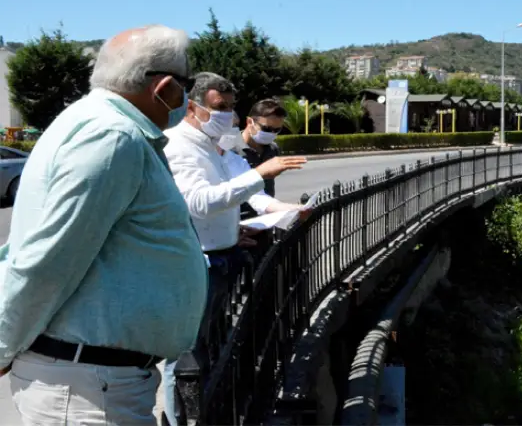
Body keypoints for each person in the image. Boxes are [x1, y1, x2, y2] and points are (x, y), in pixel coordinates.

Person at [0, 25, 207, 425]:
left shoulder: (103, 125)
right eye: (187, 84)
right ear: (164, 86)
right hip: (86, 389)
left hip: (94, 380)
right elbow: (47, 259)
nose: (186, 97)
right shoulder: (113, 137)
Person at [160, 73, 307, 425]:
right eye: (218, 107)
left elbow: (241, 197)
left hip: (220, 258)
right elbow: (198, 202)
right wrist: (261, 175)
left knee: (206, 350)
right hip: (198, 264)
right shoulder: (179, 145)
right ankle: (182, 418)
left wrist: (285, 210)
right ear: (191, 107)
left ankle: (205, 411)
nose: (228, 115)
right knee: (184, 358)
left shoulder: (211, 145)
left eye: (230, 107)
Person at [240, 98, 287, 197]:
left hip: (268, 210)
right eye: (267, 128)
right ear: (249, 122)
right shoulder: (229, 148)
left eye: (277, 130)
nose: (271, 133)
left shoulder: (273, 149)